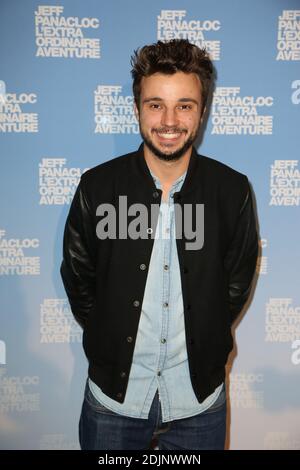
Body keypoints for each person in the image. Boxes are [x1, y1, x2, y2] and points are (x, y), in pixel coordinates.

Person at [60, 39, 258, 450]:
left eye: (184, 105)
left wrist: (208, 330)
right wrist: (106, 334)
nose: (169, 120)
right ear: (136, 109)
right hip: (114, 403)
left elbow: (235, 283)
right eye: (155, 104)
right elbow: (79, 278)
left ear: (201, 112)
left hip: (198, 404)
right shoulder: (97, 187)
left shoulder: (231, 190)